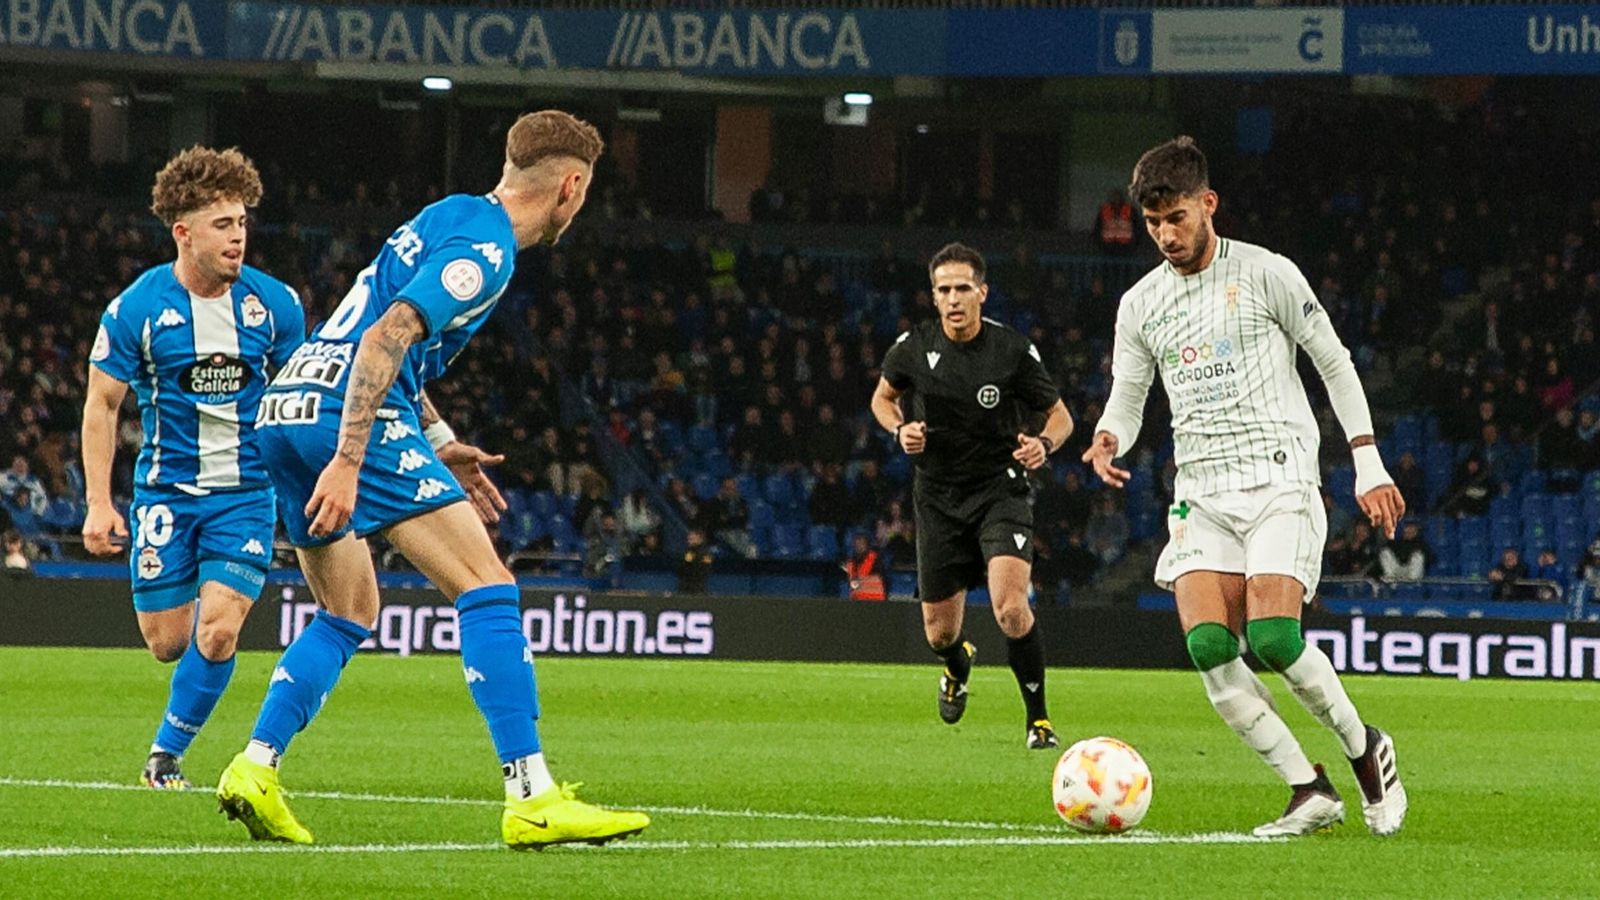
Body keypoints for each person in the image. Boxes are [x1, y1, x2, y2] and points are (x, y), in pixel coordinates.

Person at [214, 111, 648, 849]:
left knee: (349, 609)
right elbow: (386, 338)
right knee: (487, 586)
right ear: (570, 188)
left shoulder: (450, 214)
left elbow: (385, 337)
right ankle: (532, 795)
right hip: (340, 414)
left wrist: (441, 441)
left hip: (285, 407)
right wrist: (351, 460)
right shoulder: (488, 251)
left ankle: (255, 767)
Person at [1082, 137, 1408, 837]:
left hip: (1279, 474)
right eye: (1153, 224)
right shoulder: (1141, 304)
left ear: (1208, 204)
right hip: (1201, 488)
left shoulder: (1267, 274)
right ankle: (1306, 787)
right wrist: (1110, 437)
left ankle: (1365, 747)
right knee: (1207, 649)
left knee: (1272, 638)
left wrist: (1368, 460)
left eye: (1177, 218)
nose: (1166, 235)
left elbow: (1334, 361)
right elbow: (1130, 394)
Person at [80, 147, 304, 790]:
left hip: (246, 493)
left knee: (220, 630)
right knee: (167, 642)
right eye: (222, 225)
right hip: (166, 495)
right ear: (183, 232)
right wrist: (100, 500)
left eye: (242, 223)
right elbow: (102, 406)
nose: (238, 237)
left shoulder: (276, 306)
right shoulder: (136, 309)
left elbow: (299, 400)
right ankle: (169, 737)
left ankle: (165, 754)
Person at [871, 242, 1074, 749]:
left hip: (999, 491)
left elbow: (1061, 417)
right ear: (934, 297)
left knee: (1010, 608)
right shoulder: (912, 348)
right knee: (940, 635)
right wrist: (899, 431)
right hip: (937, 497)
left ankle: (1039, 721)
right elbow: (882, 398)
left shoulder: (1011, 351)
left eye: (963, 288)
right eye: (944, 290)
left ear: (983, 293)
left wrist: (1043, 445)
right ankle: (957, 670)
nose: (954, 298)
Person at [843, 532, 886, 601]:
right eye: (857, 544)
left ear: (867, 545)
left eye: (861, 544)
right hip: (857, 601)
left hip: (875, 601)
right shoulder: (850, 564)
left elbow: (863, 574)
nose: (859, 547)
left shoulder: (875, 560)